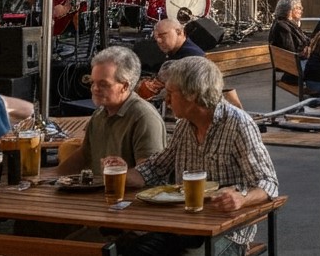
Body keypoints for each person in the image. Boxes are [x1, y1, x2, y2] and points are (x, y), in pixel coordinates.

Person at [113, 57, 278, 256]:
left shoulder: (238, 124)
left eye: (171, 93)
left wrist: (241, 198)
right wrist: (120, 174)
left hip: (227, 231)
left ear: (191, 94)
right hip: (184, 225)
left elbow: (268, 183)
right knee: (130, 250)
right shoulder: (184, 125)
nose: (166, 99)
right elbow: (155, 168)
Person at [57, 46, 165, 175]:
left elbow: (148, 176)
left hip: (125, 194)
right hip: (98, 193)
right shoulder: (99, 114)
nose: (95, 89)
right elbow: (83, 156)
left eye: (103, 84)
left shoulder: (144, 117)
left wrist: (117, 174)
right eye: (92, 82)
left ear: (125, 86)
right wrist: (46, 180)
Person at [138, 18, 243, 109]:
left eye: (162, 35)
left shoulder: (191, 57)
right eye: (156, 37)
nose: (159, 41)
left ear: (179, 32)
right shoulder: (178, 52)